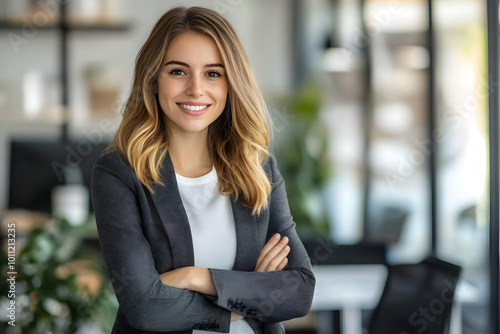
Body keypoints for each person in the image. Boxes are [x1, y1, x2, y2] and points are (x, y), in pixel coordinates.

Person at [91, 6, 315, 334]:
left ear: (230, 83)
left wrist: (196, 277)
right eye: (178, 71)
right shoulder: (120, 173)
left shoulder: (257, 167)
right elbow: (146, 308)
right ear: (154, 80)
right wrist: (250, 294)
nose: (196, 89)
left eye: (213, 73)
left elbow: (299, 291)